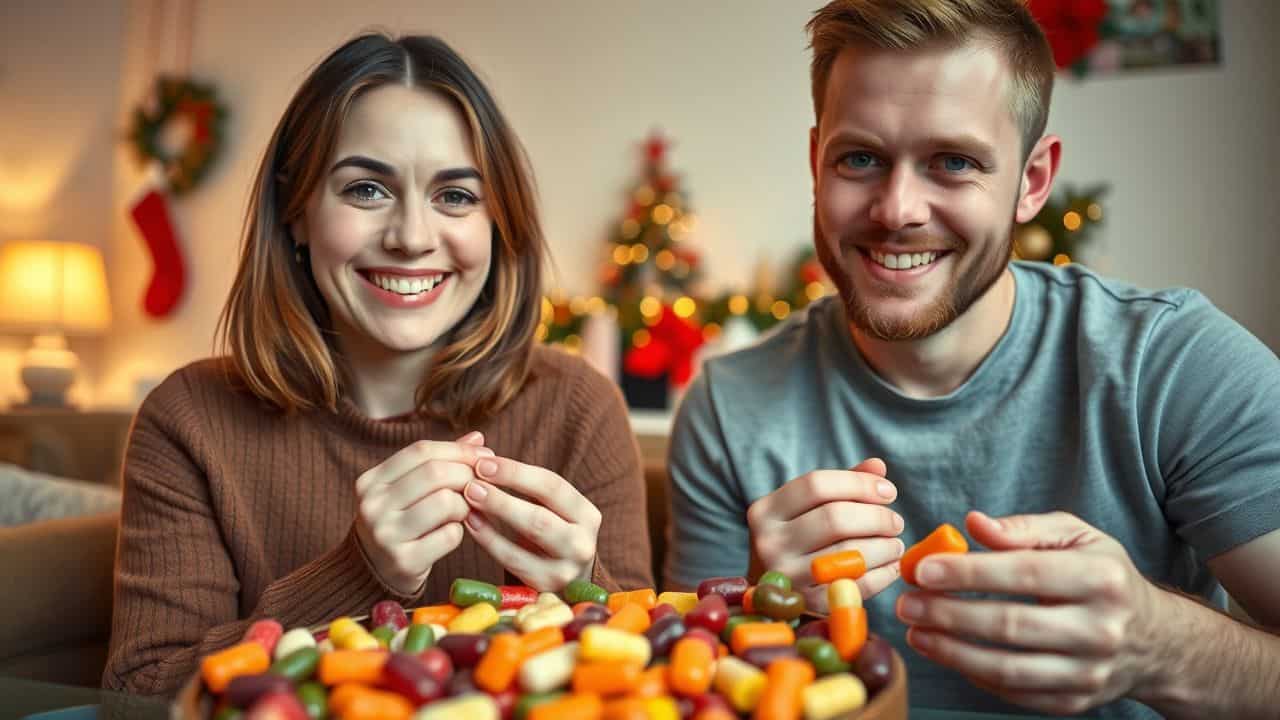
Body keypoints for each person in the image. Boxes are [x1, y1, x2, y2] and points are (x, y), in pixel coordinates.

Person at [664, 1, 1280, 717]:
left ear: (1033, 180)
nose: (897, 209)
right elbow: (687, 687)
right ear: (815, 163)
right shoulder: (727, 405)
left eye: (952, 162)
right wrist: (753, 609)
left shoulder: (1174, 366)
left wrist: (1162, 646)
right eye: (859, 158)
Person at [104, 33, 651, 695]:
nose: (413, 237)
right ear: (297, 212)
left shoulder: (580, 409)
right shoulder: (189, 420)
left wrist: (583, 584)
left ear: (498, 223)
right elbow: (139, 693)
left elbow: (647, 683)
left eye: (455, 196)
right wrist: (358, 574)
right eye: (366, 189)